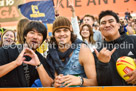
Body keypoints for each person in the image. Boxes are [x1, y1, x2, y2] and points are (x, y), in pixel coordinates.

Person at [47, 16, 97, 87]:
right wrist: (55, 83)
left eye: (65, 30)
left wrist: (80, 80)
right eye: (58, 31)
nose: (62, 34)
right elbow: (52, 82)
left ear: (70, 31)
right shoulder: (52, 53)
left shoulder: (82, 49)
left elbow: (95, 82)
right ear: (54, 34)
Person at [0, 21, 53, 87]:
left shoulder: (40, 59)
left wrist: (38, 65)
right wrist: (15, 63)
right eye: (32, 33)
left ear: (42, 40)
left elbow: (48, 86)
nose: (35, 37)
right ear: (25, 35)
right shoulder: (6, 50)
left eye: (39, 34)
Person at [94, 10, 136, 86]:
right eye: (103, 23)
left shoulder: (134, 40)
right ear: (99, 28)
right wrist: (102, 64)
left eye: (111, 21)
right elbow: (102, 84)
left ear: (118, 25)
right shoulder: (97, 53)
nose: (107, 25)